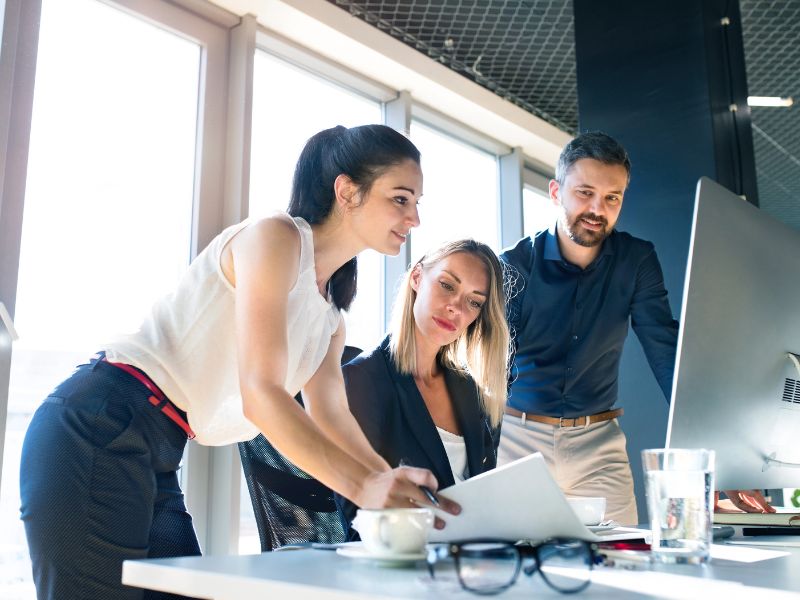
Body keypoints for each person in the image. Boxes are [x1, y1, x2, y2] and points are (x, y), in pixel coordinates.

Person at [19, 124, 458, 600]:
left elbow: (333, 418)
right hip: (99, 422)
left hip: (160, 447)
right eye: (400, 198)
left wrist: (390, 487)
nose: (414, 217)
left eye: (416, 203)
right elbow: (261, 395)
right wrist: (366, 488)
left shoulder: (330, 319)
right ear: (347, 191)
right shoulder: (275, 237)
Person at [498, 131, 773, 525]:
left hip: (598, 442)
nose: (598, 208)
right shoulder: (513, 264)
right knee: (513, 566)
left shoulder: (637, 260)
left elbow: (665, 352)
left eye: (612, 198)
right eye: (585, 192)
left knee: (625, 569)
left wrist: (721, 454)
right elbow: (494, 366)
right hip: (518, 439)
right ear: (556, 191)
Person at [338, 239, 510, 531]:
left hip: (474, 552)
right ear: (417, 277)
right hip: (405, 556)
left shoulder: (469, 391)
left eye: (474, 302)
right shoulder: (363, 380)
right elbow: (355, 509)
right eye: (447, 285)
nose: (456, 307)